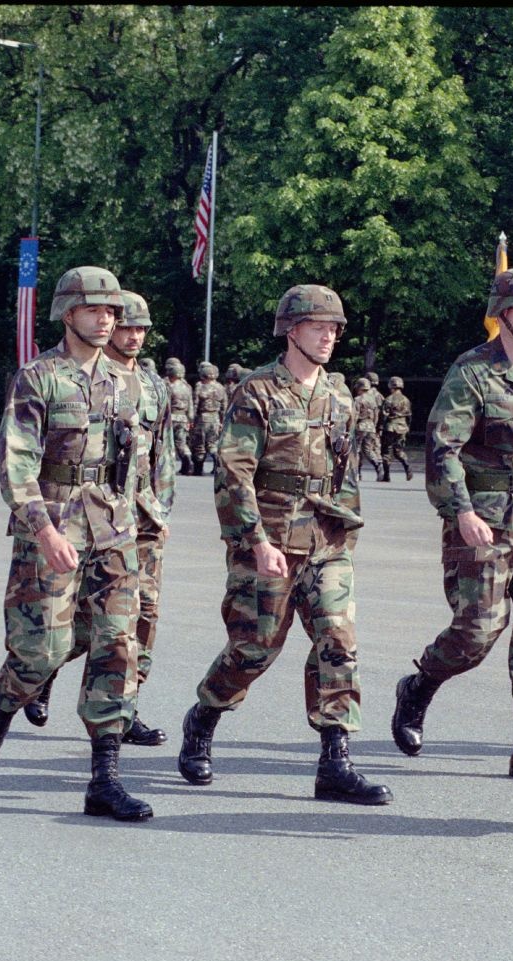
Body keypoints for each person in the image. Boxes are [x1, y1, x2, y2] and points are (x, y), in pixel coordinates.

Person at [176, 284, 391, 807]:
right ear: (291, 329)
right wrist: (254, 540)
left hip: (326, 540)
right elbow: (233, 472)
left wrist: (346, 529)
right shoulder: (258, 392)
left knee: (338, 641)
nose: (329, 336)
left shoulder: (340, 396)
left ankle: (335, 762)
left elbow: (345, 470)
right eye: (319, 326)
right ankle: (204, 715)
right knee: (255, 649)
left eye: (335, 328)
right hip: (269, 541)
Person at [0, 265, 152, 822]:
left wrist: (139, 526)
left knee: (119, 647)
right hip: (53, 530)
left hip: (113, 532)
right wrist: (42, 531)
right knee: (40, 652)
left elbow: (131, 464)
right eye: (94, 309)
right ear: (68, 313)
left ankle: (105, 780)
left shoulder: (125, 382)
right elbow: (15, 463)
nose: (106, 318)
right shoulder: (38, 377)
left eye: (112, 310)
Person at [391, 267, 513, 780]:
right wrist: (461, 511)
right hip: (485, 521)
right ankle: (420, 684)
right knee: (478, 631)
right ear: (502, 313)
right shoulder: (473, 372)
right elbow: (441, 447)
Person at [23, 293, 176, 745]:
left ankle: (124, 710)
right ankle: (41, 675)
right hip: (93, 516)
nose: (133, 336)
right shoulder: (85, 382)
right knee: (84, 623)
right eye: (127, 327)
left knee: (139, 618)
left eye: (141, 329)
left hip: (141, 518)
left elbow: (162, 455)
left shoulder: (152, 386)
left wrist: (161, 509)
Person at [190, 361, 227, 475]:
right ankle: (218, 462)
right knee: (212, 444)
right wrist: (222, 421)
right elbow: (224, 406)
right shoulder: (221, 388)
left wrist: (191, 420)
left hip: (202, 419)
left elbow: (195, 405)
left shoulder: (201, 387)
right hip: (215, 419)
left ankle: (198, 470)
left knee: (199, 445)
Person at [351, 375, 387, 482]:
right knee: (368, 450)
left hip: (360, 426)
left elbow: (355, 415)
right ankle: (378, 466)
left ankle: (356, 473)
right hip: (371, 427)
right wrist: (374, 426)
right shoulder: (373, 400)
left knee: (355, 450)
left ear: (360, 388)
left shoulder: (357, 400)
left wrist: (351, 427)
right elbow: (377, 415)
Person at [164, 357, 196, 475]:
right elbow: (191, 405)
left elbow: (165, 403)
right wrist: (190, 419)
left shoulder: (168, 385)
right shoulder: (187, 387)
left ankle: (169, 466)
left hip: (170, 417)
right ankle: (187, 460)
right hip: (183, 418)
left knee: (168, 443)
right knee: (182, 442)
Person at [381, 375, 414, 480]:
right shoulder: (406, 400)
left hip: (390, 427)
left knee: (387, 451)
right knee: (399, 450)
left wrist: (381, 427)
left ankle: (387, 476)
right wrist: (407, 427)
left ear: (391, 386)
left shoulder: (388, 399)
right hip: (402, 427)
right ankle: (407, 467)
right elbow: (409, 416)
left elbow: (384, 415)